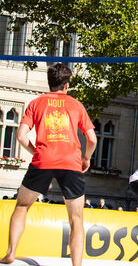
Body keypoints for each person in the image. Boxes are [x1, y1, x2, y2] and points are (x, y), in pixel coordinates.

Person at [0, 63, 97, 266]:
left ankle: (11, 252)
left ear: (49, 83)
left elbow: (20, 136)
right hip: (71, 163)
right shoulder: (76, 105)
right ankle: (76, 265)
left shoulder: (36, 103)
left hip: (43, 160)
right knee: (76, 219)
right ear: (67, 85)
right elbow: (92, 139)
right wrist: (86, 158)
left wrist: (36, 152)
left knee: (22, 206)